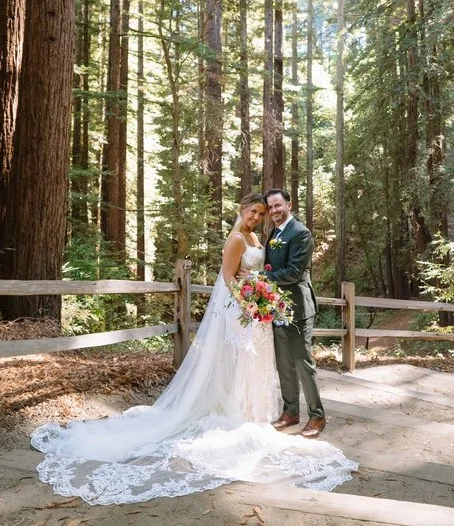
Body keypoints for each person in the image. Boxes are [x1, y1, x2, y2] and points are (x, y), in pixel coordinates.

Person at [30, 193, 355, 505]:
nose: (257, 216)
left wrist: (259, 296)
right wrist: (249, 303)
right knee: (238, 361)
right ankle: (239, 413)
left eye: (262, 211)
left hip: (259, 309)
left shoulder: (261, 239)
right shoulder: (237, 239)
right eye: (253, 211)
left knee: (265, 363)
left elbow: (266, 271)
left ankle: (275, 413)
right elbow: (229, 278)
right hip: (242, 309)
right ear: (242, 210)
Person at [262, 188, 325, 438]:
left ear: (289, 204)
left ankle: (317, 416)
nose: (274, 211)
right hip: (277, 308)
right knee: (283, 364)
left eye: (278, 205)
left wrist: (260, 279)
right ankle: (290, 412)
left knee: (302, 363)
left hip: (298, 307)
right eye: (271, 207)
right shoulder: (272, 233)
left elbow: (294, 272)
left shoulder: (301, 233)